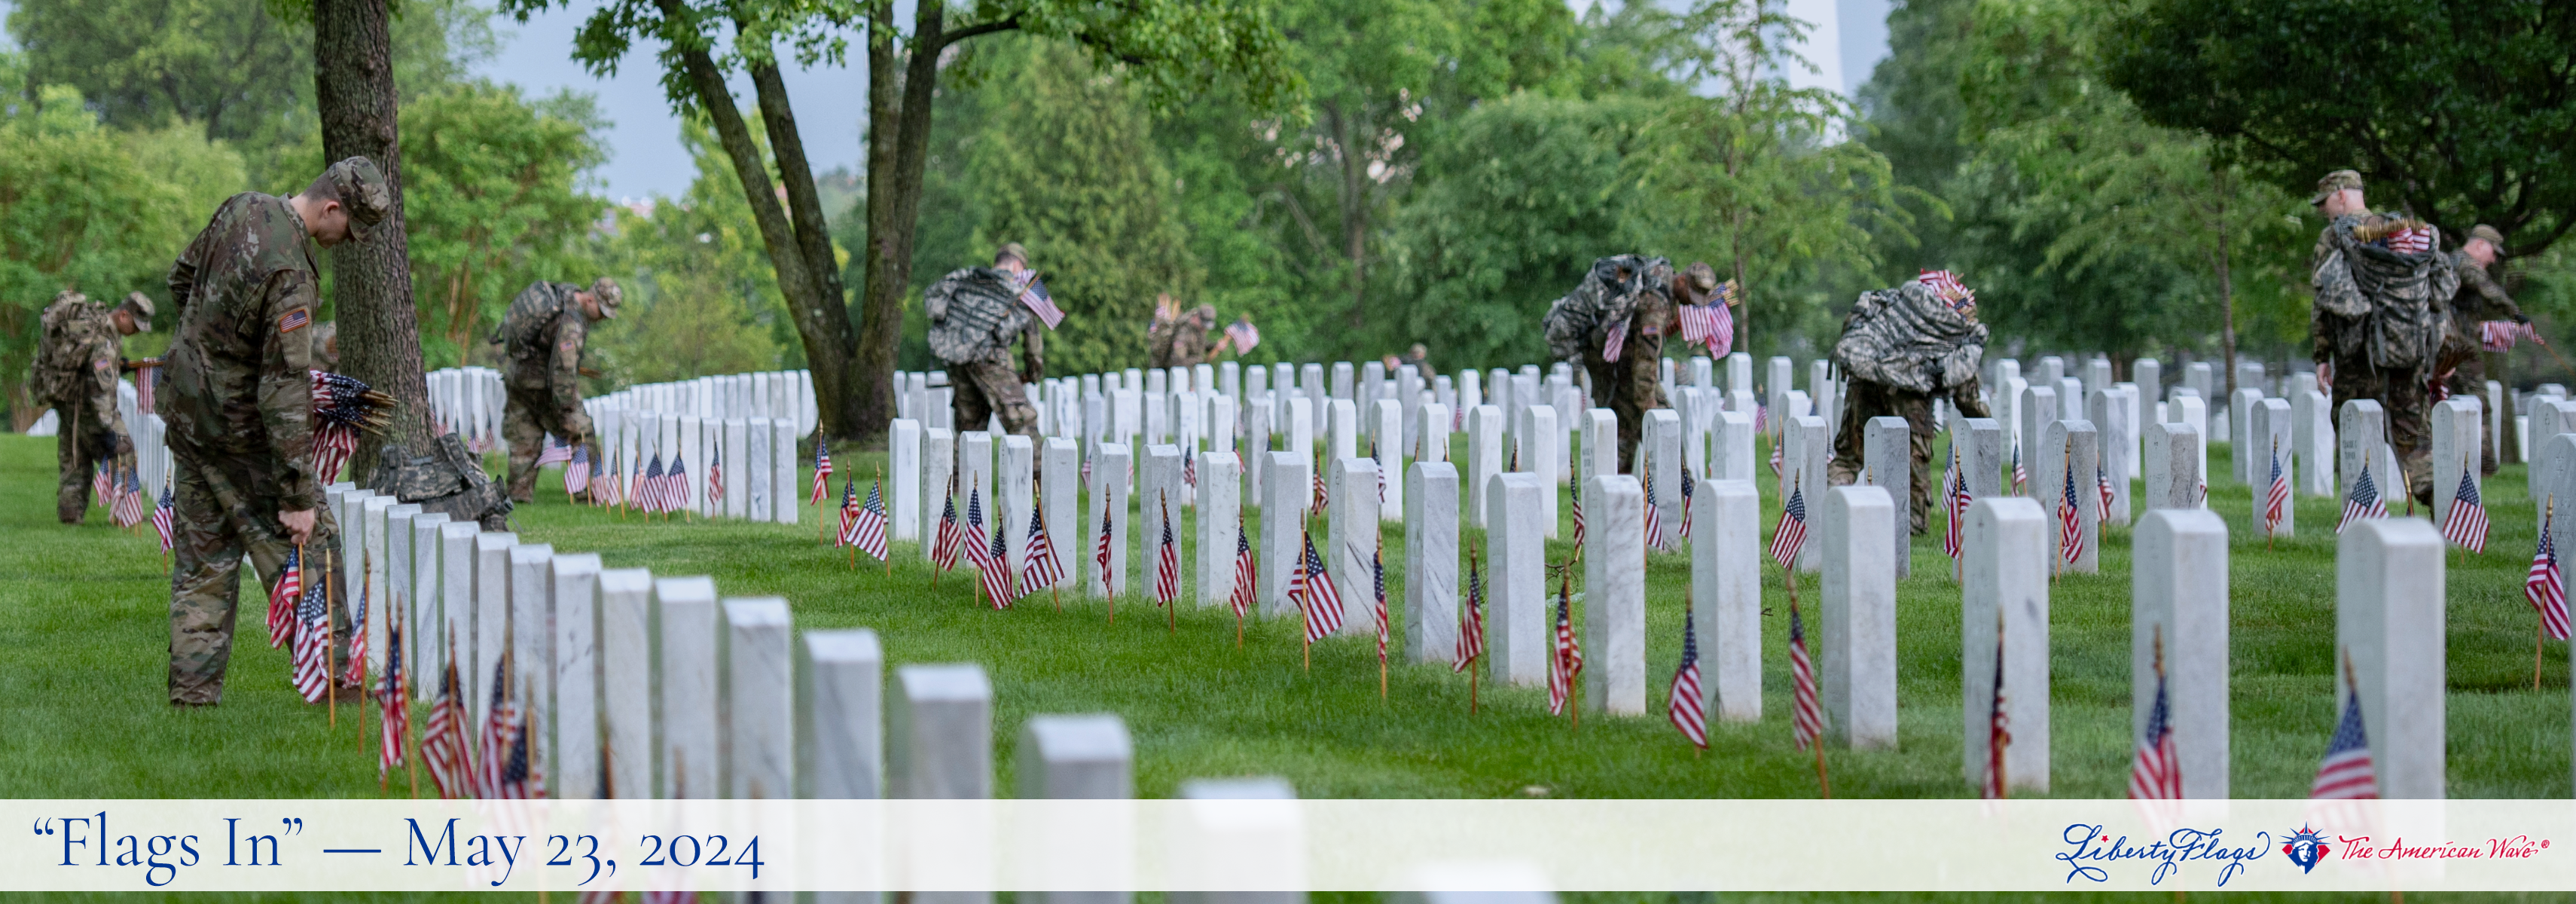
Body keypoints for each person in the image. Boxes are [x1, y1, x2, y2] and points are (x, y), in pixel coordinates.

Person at [162, 156, 389, 706]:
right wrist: (296, 497)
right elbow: (284, 388)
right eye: (350, 230)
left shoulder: (242, 206)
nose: (347, 242)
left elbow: (181, 279)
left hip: (190, 417)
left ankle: (192, 696)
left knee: (202, 560)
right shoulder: (292, 271)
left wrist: (212, 350)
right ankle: (339, 684)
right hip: (244, 433)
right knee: (318, 552)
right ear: (331, 207)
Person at [2309, 169, 2455, 505]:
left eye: (2325, 202)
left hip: (2358, 359)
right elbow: (2438, 297)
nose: (2323, 211)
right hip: (2409, 353)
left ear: (2342, 195)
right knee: (2414, 439)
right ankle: (2444, 512)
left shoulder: (2336, 237)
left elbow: (2323, 300)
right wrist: (2442, 350)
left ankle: (2361, 517)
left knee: (2353, 436)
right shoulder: (2404, 236)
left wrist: (2321, 357)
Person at [1825, 270, 1993, 533]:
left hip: (1865, 379)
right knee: (1915, 464)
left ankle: (1826, 508)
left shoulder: (1893, 310)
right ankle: (1914, 525)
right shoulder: (1956, 333)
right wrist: (1985, 422)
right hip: (1911, 396)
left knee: (1848, 457)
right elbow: (1966, 395)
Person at [1546, 254, 1692, 471]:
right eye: (1693, 295)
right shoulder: (1656, 301)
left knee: (1622, 438)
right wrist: (1650, 409)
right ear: (1681, 282)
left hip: (1611, 370)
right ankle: (1681, 490)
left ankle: (1617, 498)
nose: (1692, 303)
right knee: (1663, 433)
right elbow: (1645, 361)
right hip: (1620, 373)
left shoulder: (1659, 280)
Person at [496, 276, 620, 502]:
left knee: (525, 436)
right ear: (591, 299)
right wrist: (568, 409)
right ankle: (586, 492)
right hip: (542, 387)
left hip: (518, 377)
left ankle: (518, 494)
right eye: (601, 311)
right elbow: (563, 370)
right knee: (582, 433)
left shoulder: (563, 295)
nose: (602, 318)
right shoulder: (572, 323)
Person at [32, 289, 151, 523]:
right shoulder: (104, 338)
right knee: (124, 451)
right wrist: (107, 427)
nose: (136, 331)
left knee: (74, 459)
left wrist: (120, 366)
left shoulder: (91, 327)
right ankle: (126, 514)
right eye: (136, 325)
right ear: (124, 315)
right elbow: (100, 388)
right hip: (89, 409)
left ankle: (69, 515)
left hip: (67, 402)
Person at [926, 243, 1045, 436]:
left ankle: (958, 467)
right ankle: (1037, 467)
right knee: (1024, 424)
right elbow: (1033, 348)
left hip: (958, 362)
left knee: (969, 430)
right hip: (992, 363)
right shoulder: (1017, 293)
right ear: (1017, 266)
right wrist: (1032, 374)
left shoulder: (970, 283)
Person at [2437, 224, 2524, 475]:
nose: (2494, 259)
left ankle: (2453, 460)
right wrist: (2516, 312)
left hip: (2449, 344)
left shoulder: (2450, 261)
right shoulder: (2465, 264)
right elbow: (2487, 289)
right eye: (2493, 252)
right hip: (2460, 347)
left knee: (2450, 402)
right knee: (2478, 403)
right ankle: (2483, 465)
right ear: (2479, 245)